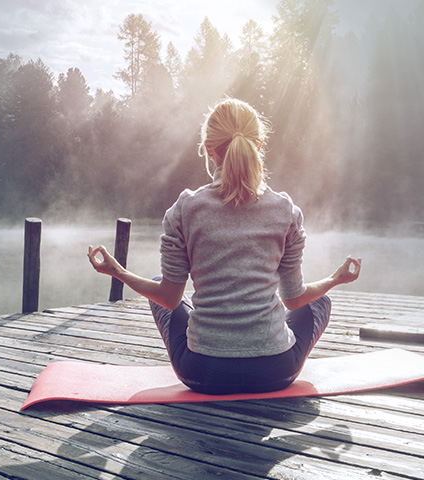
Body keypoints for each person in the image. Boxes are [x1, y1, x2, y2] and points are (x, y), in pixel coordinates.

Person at [88, 97, 361, 395]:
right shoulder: (286, 210)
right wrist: (336, 279)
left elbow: (168, 297)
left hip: (202, 373)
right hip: (277, 371)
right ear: (258, 146)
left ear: (208, 149)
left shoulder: (185, 209)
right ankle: (267, 339)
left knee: (161, 287)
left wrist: (118, 271)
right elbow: (294, 299)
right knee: (319, 301)